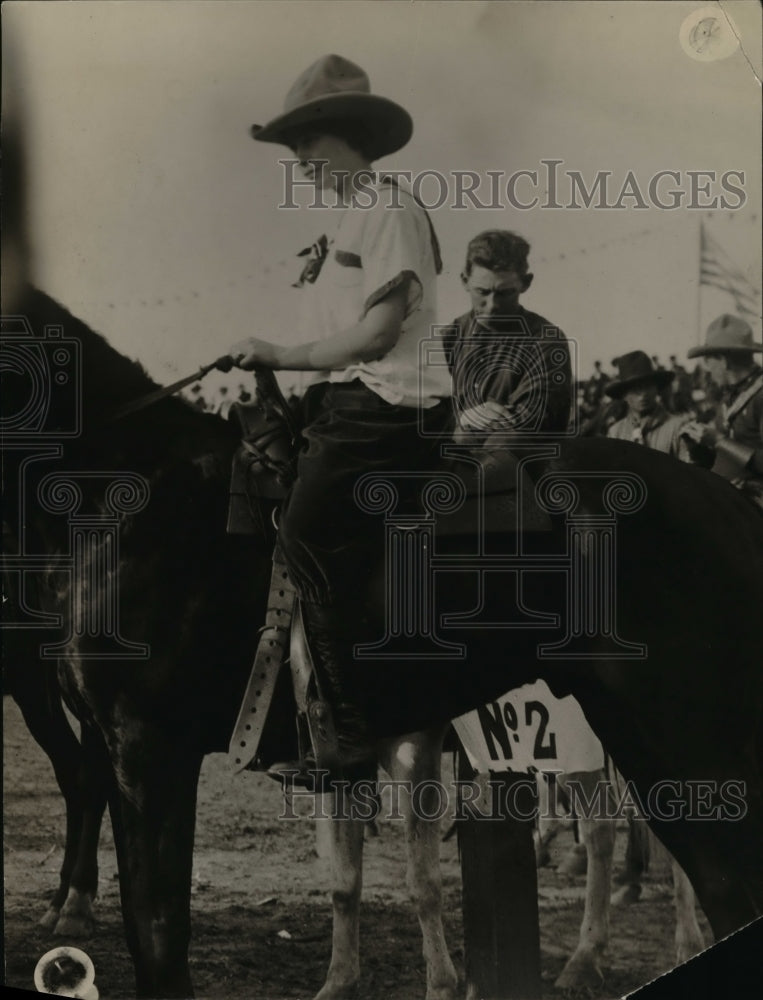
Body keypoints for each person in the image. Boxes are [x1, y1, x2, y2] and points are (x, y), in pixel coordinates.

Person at [227, 55, 452, 779]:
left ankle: (354, 734)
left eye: (307, 145)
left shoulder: (385, 209)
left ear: (348, 133)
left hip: (389, 402)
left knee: (305, 533)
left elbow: (377, 334)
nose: (299, 162)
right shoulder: (345, 222)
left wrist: (280, 351)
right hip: (347, 400)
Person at [443, 230, 573, 444]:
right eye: (482, 292)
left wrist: (459, 427)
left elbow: (527, 425)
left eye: (505, 293)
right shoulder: (448, 339)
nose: (492, 306)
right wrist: (463, 419)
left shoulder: (546, 340)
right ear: (464, 281)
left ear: (526, 283)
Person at [681, 314, 763, 508]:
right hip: (729, 498)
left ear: (724, 360)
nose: (707, 370)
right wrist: (697, 448)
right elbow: (725, 458)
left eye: (708, 361)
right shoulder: (731, 395)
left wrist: (718, 440)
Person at [605, 351, 693, 459]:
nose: (642, 395)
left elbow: (689, 473)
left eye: (647, 386)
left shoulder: (677, 428)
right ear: (624, 395)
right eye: (635, 389)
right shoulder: (615, 433)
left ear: (657, 388)